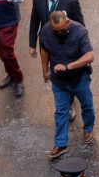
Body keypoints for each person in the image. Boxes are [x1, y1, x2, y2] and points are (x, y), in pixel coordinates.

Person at [40, 10, 96, 159]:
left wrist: (67, 66)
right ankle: (61, 144)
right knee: (60, 112)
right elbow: (44, 50)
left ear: (68, 21)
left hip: (79, 78)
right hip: (59, 81)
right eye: (56, 31)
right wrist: (45, 71)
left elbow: (90, 56)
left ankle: (88, 128)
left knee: (87, 105)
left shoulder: (80, 31)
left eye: (62, 30)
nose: (59, 33)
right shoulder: (46, 30)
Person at [28, 0, 84, 123]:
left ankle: (69, 103)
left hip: (66, 46)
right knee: (54, 72)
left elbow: (81, 25)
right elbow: (34, 20)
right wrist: (32, 44)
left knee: (66, 72)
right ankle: (62, 94)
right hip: (47, 45)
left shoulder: (71, 1)